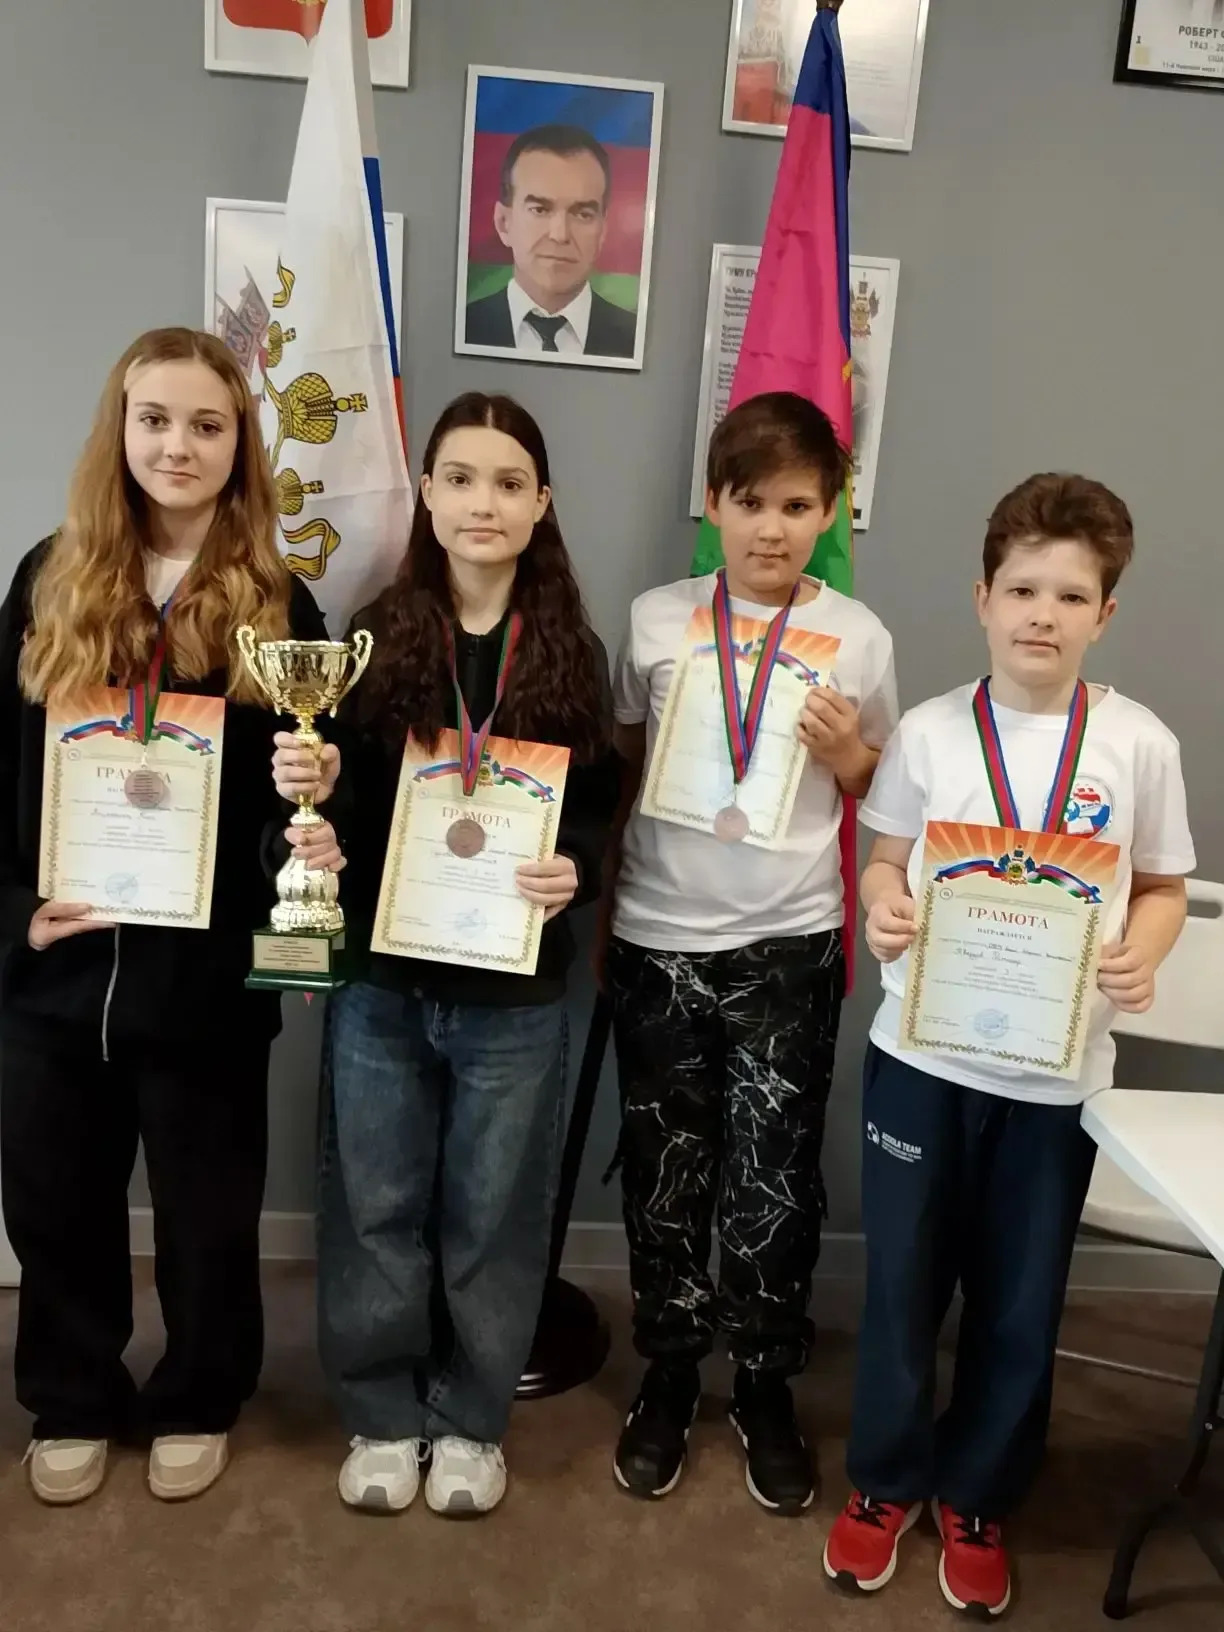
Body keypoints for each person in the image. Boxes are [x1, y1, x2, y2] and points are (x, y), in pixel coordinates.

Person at [822, 474, 1195, 1618]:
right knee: (903, 1284)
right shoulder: (931, 733)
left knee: (1021, 1298)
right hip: (921, 1059)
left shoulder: (1138, 746)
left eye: (1071, 595)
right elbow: (885, 862)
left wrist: (1143, 952)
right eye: (1023, 589)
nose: (1044, 614)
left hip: (1056, 1080)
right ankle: (887, 1477)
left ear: (1106, 613)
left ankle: (980, 1493)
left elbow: (1164, 888)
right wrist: (885, 907)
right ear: (982, 598)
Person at [0, 327, 339, 1505]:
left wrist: (307, 814)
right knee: (55, 1200)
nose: (178, 445)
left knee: (207, 1212)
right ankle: (72, 1394)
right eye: (154, 419)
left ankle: (199, 1391)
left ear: (240, 442)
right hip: (60, 969)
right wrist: (14, 915)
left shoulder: (280, 601)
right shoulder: (48, 576)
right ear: (121, 428)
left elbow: (291, 799)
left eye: (206, 423)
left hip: (202, 982)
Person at [272, 391, 619, 1517]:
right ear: (427, 493)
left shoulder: (570, 652)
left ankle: (471, 1419)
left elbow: (592, 809)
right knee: (373, 1205)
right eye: (461, 478)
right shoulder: (375, 636)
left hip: (514, 994)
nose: (484, 503)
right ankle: (380, 1412)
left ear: (541, 504)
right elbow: (350, 804)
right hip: (385, 983)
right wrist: (325, 806)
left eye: (510, 483)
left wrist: (574, 870)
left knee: (492, 1215)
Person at [602, 391, 898, 1513]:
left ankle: (766, 1381)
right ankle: (672, 1371)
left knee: (775, 1178)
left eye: (798, 506)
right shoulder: (654, 620)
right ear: (713, 503)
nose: (773, 528)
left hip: (788, 942)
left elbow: (883, 790)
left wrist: (852, 750)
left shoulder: (860, 637)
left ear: (829, 514)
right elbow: (624, 754)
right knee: (666, 1171)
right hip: (658, 934)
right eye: (751, 502)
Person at [464, 124, 638, 361]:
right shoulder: (462, 327)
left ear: (602, 232)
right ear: (503, 223)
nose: (559, 234)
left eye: (582, 214)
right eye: (540, 209)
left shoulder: (635, 340)